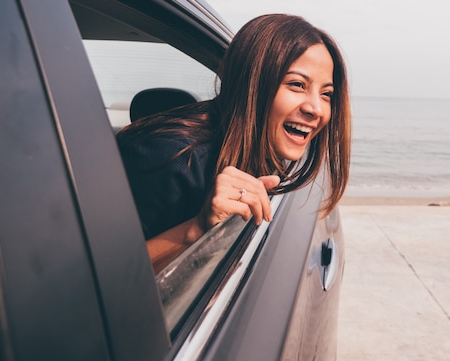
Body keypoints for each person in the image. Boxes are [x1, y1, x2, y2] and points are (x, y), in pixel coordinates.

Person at [117, 14, 351, 271]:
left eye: (326, 94)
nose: (316, 109)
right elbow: (99, 278)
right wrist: (196, 228)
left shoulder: (265, 145)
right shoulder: (169, 158)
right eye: (297, 84)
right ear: (252, 83)